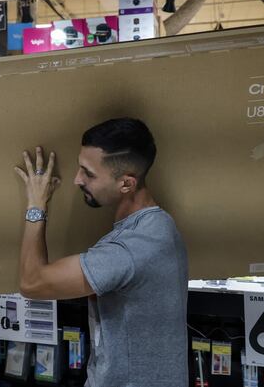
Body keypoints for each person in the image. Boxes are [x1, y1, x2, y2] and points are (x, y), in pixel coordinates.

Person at [14, 117, 188, 387]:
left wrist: (36, 204)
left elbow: (31, 282)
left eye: (89, 173)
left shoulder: (127, 250)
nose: (76, 179)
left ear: (126, 184)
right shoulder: (161, 224)